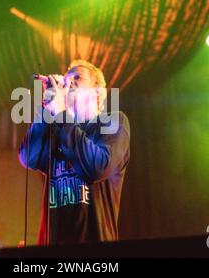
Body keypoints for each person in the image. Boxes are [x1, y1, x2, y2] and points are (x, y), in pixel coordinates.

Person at [18, 60, 130, 245]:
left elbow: (97, 167)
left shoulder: (112, 122)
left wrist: (61, 113)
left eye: (77, 77)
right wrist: (48, 110)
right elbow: (28, 157)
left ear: (97, 90)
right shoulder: (57, 129)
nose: (68, 82)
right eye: (67, 78)